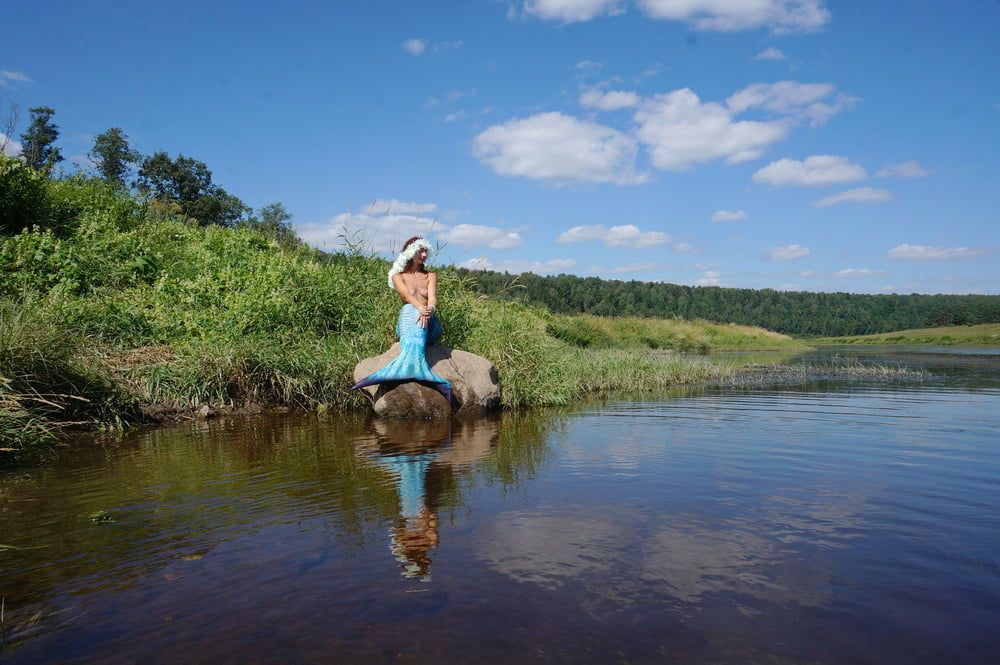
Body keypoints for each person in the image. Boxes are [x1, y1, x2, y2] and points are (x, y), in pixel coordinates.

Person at [350, 236, 453, 402]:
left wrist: (429, 310)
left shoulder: (430, 275)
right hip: (409, 321)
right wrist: (419, 307)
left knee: (415, 311)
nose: (425, 255)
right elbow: (405, 296)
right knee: (408, 308)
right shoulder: (397, 276)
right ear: (411, 252)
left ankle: (409, 367)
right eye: (421, 250)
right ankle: (415, 368)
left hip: (430, 324)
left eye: (426, 251)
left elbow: (433, 298)